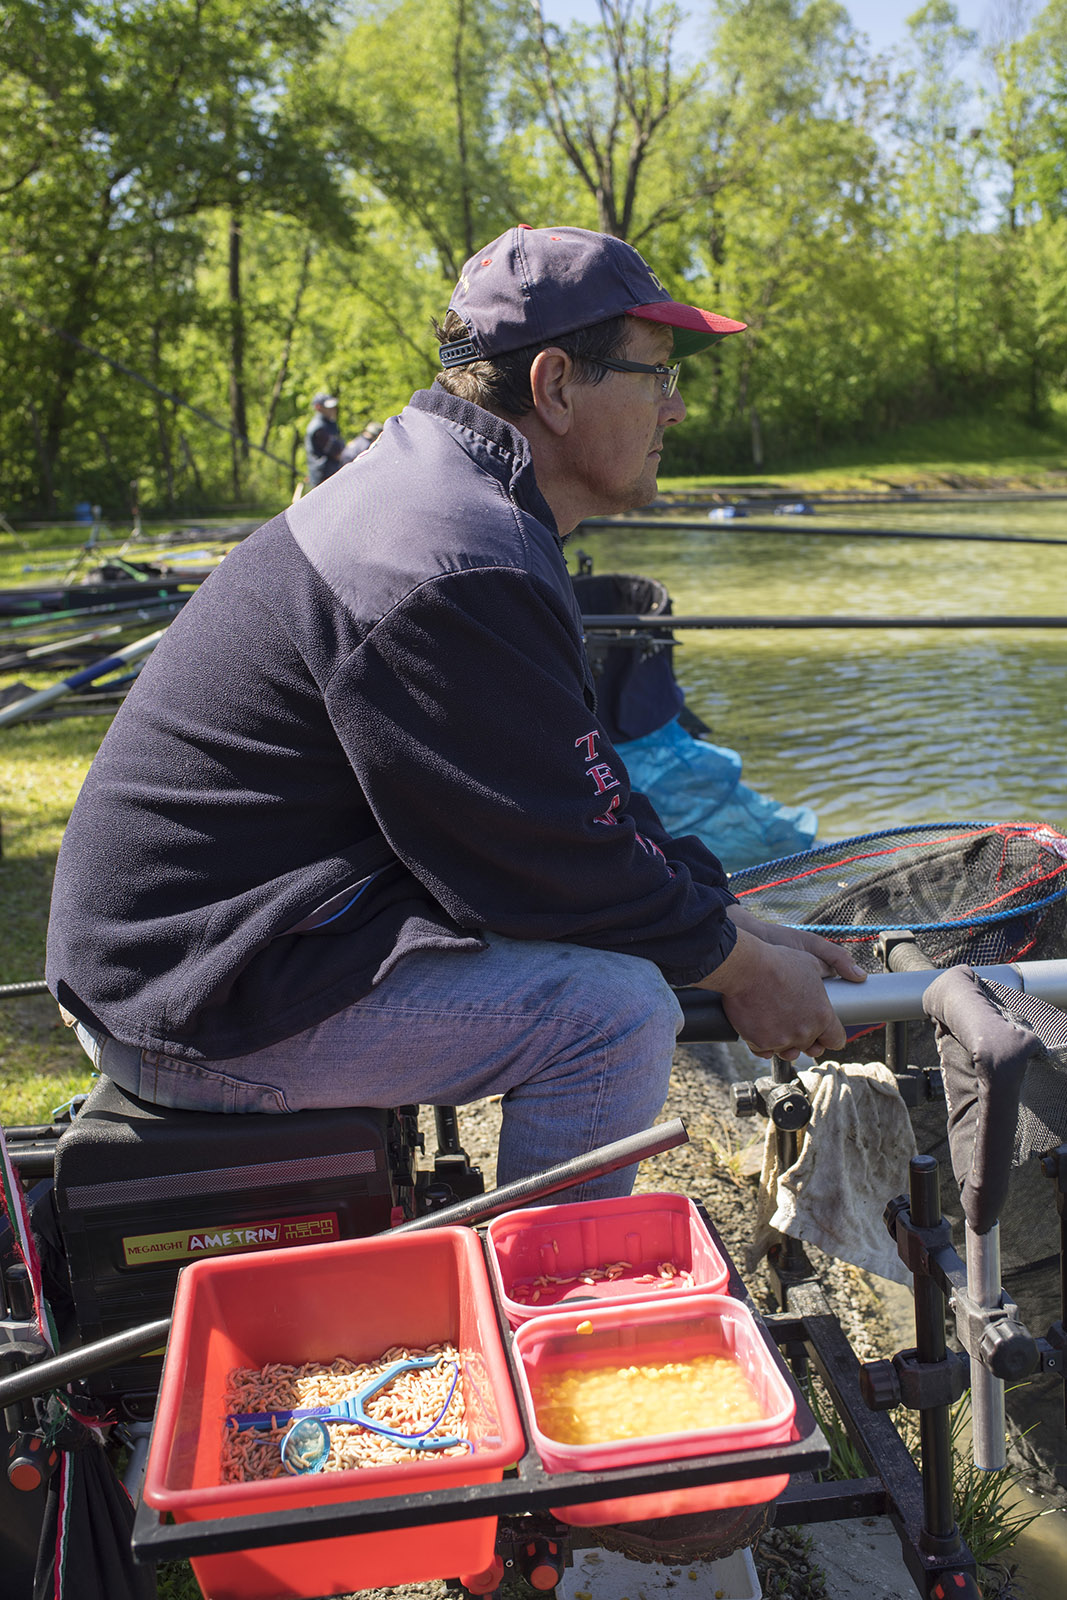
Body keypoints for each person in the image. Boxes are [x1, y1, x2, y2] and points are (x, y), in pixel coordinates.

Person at [46, 224, 864, 1200]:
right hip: (195, 996)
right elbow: (554, 864)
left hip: (224, 947)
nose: (675, 407)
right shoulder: (457, 559)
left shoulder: (449, 496)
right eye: (657, 374)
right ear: (555, 386)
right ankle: (555, 1288)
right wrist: (741, 970)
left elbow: (576, 792)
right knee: (613, 1015)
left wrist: (722, 915)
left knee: (639, 954)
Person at [304, 392, 366, 487]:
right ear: (318, 407)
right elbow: (338, 453)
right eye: (328, 407)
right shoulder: (319, 428)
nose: (333, 409)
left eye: (333, 407)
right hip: (324, 480)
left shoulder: (329, 423)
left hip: (330, 476)